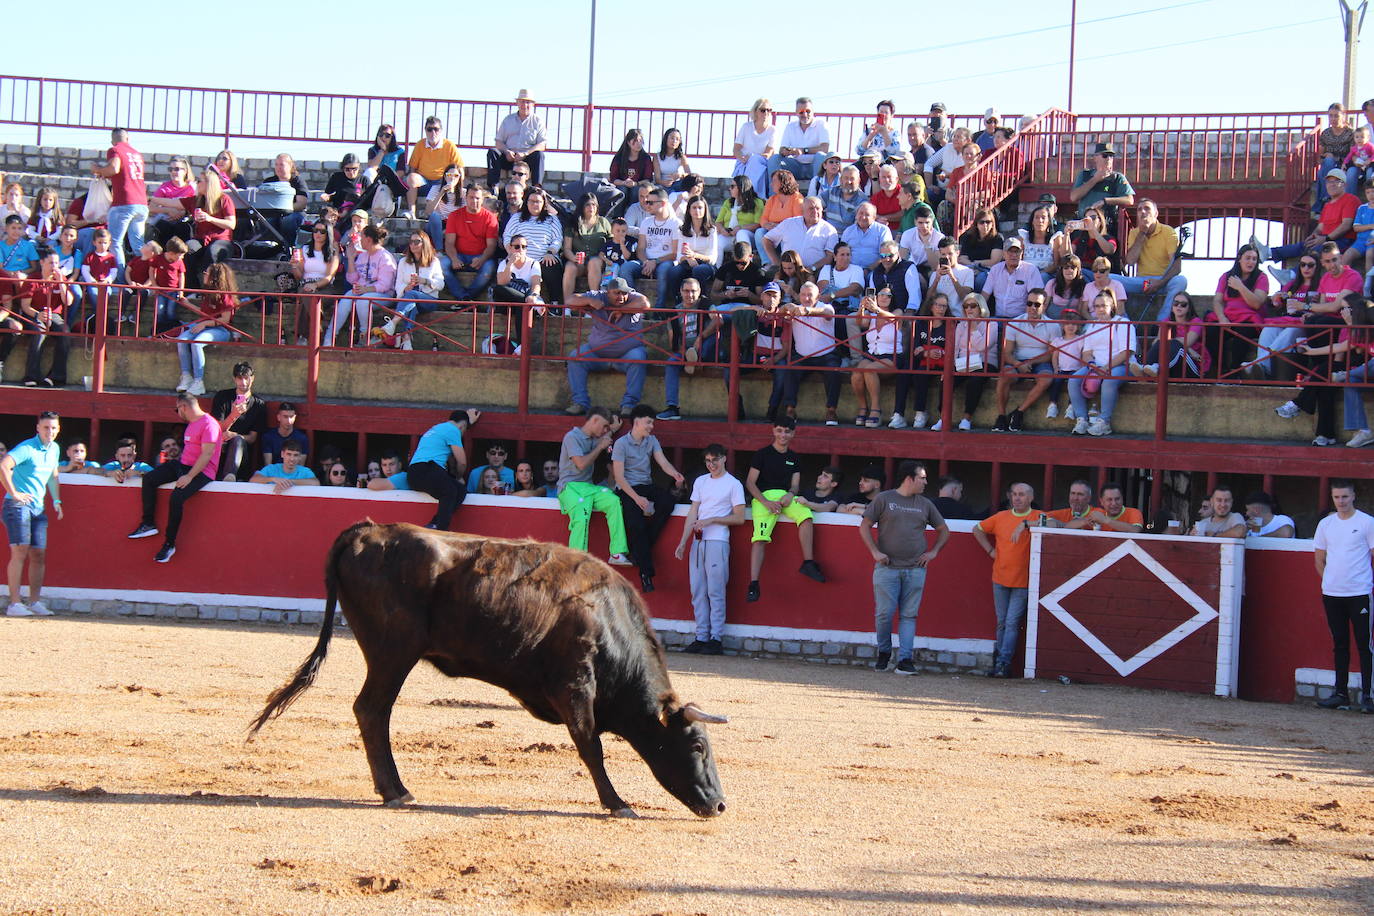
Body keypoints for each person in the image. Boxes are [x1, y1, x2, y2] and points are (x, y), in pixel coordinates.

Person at [858, 460, 949, 674]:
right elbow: (864, 526)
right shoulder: (884, 499)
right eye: (922, 478)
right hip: (887, 567)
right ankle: (884, 651)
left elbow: (944, 531)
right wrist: (874, 552)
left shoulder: (925, 504)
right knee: (884, 614)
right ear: (910, 478)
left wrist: (933, 552)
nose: (926, 482)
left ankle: (905, 659)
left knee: (909, 615)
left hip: (915, 568)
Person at [127, 392, 223, 563]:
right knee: (149, 479)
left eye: (177, 409)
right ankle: (148, 523)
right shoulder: (192, 424)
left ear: (183, 407)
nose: (178, 413)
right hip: (182, 465)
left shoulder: (209, 424)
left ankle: (169, 544)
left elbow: (207, 454)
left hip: (202, 472)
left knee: (176, 498)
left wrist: (189, 476)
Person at [673, 444, 746, 655]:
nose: (711, 464)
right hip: (698, 540)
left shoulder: (733, 484)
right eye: (707, 461)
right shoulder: (701, 481)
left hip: (718, 540)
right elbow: (693, 512)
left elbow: (739, 517)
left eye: (714, 460)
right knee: (698, 590)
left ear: (724, 459)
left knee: (715, 590)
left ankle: (715, 638)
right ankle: (702, 636)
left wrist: (713, 519)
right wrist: (683, 541)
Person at [744, 416, 826, 603]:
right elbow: (750, 482)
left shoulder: (794, 457)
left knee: (806, 515)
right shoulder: (762, 454)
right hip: (763, 498)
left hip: (786, 496)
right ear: (773, 431)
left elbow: (795, 485)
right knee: (760, 538)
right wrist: (765, 502)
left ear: (793, 434)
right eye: (780, 430)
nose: (783, 434)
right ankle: (754, 584)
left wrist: (790, 494)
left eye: (787, 431)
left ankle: (808, 562)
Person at [971, 482, 1047, 677]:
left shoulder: (1037, 516)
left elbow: (1055, 524)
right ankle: (1001, 663)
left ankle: (1003, 663)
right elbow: (977, 529)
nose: (1017, 498)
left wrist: (1025, 524)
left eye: (1021, 494)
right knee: (1003, 622)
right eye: (1014, 494)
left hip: (1022, 580)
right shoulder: (1001, 517)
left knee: (1011, 622)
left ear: (1030, 497)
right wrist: (990, 550)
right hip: (1000, 577)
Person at [1312, 479, 1374, 712]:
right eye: (1337, 497)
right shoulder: (1326, 524)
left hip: (1359, 593)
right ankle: (1341, 693)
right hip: (1333, 593)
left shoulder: (1367, 523)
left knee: (1363, 644)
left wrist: (1363, 582)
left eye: (1345, 497)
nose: (1341, 501)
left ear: (1353, 496)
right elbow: (1319, 559)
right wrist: (1329, 581)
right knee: (1340, 644)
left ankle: (1367, 696)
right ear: (1332, 498)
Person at [565, 278, 666, 417]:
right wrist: (589, 301)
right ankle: (580, 403)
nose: (621, 297)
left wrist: (622, 310)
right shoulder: (598, 296)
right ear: (607, 293)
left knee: (638, 358)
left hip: (627, 354)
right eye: (616, 293)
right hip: (597, 353)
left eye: (624, 293)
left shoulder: (632, 298)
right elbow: (570, 300)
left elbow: (645, 303)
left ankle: (628, 406)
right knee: (574, 356)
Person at [611, 405, 685, 592]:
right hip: (626, 489)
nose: (652, 426)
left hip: (645, 484)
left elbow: (663, 463)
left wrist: (676, 475)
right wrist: (636, 498)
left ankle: (639, 550)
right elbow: (619, 477)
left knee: (667, 502)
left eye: (652, 422)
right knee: (636, 523)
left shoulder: (652, 440)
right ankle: (646, 574)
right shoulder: (621, 444)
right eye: (648, 422)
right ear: (637, 422)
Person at [1, 411, 62, 617]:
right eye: (46, 427)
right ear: (38, 428)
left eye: (53, 428)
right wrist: (14, 493)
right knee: (20, 551)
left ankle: (34, 601)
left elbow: (53, 476)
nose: (50, 432)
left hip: (38, 507)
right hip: (17, 506)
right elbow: (3, 466)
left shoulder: (54, 448)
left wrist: (57, 500)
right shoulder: (27, 447)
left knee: (38, 554)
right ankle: (15, 603)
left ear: (58, 429)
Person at [556, 407, 631, 566]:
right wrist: (600, 447)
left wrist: (613, 430)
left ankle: (617, 553)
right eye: (604, 426)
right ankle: (576, 560)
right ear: (594, 420)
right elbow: (581, 464)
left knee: (613, 500)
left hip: (588, 488)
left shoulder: (598, 437)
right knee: (582, 513)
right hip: (569, 488)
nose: (605, 430)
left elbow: (605, 437)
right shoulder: (572, 436)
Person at [1068, 290, 1134, 437]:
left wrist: (1105, 368)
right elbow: (1086, 353)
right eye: (1096, 306)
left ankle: (1104, 422)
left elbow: (1127, 352)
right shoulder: (1091, 326)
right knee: (1073, 380)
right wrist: (1093, 366)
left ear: (1112, 306)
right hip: (1096, 366)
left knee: (1109, 381)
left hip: (1121, 366)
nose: (1100, 309)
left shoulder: (1123, 323)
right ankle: (1082, 419)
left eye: (1103, 305)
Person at [992, 290, 1055, 431]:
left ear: (1044, 306)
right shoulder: (1015, 323)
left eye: (1037, 304)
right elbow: (1007, 352)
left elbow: (1051, 354)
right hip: (1017, 360)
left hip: (1040, 362)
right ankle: (1001, 416)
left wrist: (1030, 362)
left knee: (1046, 379)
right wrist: (1018, 364)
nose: (1032, 307)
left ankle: (1019, 412)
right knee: (1003, 378)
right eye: (1029, 303)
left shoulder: (1053, 325)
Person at [407, 408, 479, 531]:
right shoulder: (454, 430)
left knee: (460, 490)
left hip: (415, 472)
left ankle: (435, 523)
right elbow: (462, 462)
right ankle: (441, 529)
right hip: (427, 468)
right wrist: (459, 476)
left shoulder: (437, 428)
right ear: (462, 426)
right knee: (450, 491)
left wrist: (468, 422)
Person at [1119, 199, 1189, 319]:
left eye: (1147, 208)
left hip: (1164, 281)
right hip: (1144, 283)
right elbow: (1130, 261)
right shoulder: (1135, 233)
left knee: (1181, 281)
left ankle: (1162, 320)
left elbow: (1177, 266)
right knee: (1111, 279)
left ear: (1156, 214)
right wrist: (1143, 233)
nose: (1143, 212)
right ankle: (1123, 320)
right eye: (1140, 209)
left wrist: (1160, 283)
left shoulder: (1168, 231)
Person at [91, 128, 146, 276]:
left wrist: (97, 169)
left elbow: (114, 168)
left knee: (115, 243)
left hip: (123, 203)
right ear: (128, 139)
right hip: (141, 203)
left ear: (112, 140)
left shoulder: (115, 150)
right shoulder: (137, 154)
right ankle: (141, 278)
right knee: (138, 246)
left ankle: (120, 281)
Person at [328, 224, 394, 347]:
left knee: (363, 301)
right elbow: (352, 279)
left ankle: (365, 337)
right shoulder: (363, 255)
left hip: (383, 295)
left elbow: (385, 285)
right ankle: (329, 338)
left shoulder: (385, 257)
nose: (359, 240)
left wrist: (365, 289)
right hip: (363, 292)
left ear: (368, 239)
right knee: (347, 298)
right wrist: (351, 259)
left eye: (361, 237)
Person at [16, 252, 72, 389]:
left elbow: (68, 301)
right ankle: (31, 376)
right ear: (42, 263)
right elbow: (25, 306)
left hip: (54, 314)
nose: (54, 266)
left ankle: (55, 377)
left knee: (65, 333)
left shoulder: (60, 278)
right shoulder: (33, 278)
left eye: (57, 263)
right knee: (39, 332)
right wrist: (37, 316)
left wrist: (60, 283)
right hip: (34, 313)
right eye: (51, 263)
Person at [503, 186, 564, 303]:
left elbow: (557, 239)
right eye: (532, 201)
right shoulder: (517, 218)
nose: (535, 204)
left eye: (538, 202)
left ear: (543, 203)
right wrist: (511, 253)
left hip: (543, 258)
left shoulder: (552, 219)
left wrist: (550, 252)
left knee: (552, 264)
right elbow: (507, 237)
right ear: (526, 202)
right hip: (521, 258)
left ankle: (554, 303)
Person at [849, 291, 902, 427]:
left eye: (888, 295)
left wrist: (877, 309)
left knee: (869, 369)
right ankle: (862, 407)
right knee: (856, 373)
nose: (885, 297)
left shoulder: (897, 311)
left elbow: (895, 319)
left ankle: (876, 409)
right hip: (872, 354)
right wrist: (862, 308)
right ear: (876, 297)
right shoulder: (871, 315)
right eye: (881, 295)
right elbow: (860, 322)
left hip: (891, 356)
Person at [209, 362, 265, 481]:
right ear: (234, 379)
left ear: (252, 378)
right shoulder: (223, 397)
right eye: (240, 378)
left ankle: (229, 476)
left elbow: (252, 438)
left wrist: (235, 435)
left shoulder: (258, 404)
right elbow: (217, 431)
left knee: (237, 440)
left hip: (242, 455)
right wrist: (234, 415)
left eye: (246, 378)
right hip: (219, 448)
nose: (243, 382)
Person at [443, 184, 500, 301]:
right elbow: (449, 243)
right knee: (441, 265)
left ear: (482, 199)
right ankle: (463, 296)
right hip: (459, 255)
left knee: (489, 269)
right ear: (466, 198)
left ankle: (466, 298)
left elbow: (491, 245)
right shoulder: (454, 216)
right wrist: (454, 259)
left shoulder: (490, 218)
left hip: (481, 255)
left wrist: (482, 259)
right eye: (471, 197)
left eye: (478, 198)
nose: (474, 201)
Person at [403, 116, 464, 220]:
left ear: (441, 131)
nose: (433, 132)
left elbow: (460, 169)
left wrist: (458, 186)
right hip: (424, 183)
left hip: (442, 183)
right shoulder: (420, 145)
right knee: (412, 177)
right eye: (429, 129)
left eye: (436, 129)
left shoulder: (449, 146)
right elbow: (412, 168)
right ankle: (411, 212)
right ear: (425, 131)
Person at [487, 89, 547, 190]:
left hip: (526, 159)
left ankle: (537, 188)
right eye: (522, 101)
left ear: (533, 104)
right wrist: (507, 152)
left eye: (528, 102)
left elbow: (542, 144)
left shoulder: (538, 122)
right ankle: (493, 187)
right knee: (493, 152)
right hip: (509, 157)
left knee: (539, 155)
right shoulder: (508, 120)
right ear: (517, 103)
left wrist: (526, 153)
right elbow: (498, 141)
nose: (525, 105)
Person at [1069, 142, 1134, 224]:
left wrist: (1105, 201)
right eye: (1105, 155)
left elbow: (1129, 200)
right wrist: (1095, 179)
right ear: (1095, 158)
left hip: (1105, 227)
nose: (1108, 159)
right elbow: (1073, 197)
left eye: (1111, 156)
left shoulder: (1117, 178)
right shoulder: (1085, 175)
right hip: (1084, 224)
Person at [732, 99, 776, 206]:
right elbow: (736, 149)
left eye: (769, 110)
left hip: (761, 161)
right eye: (763, 110)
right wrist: (742, 158)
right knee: (752, 162)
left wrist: (752, 157)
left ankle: (751, 195)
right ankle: (751, 195)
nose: (766, 113)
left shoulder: (772, 130)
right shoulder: (746, 127)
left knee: (755, 161)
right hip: (744, 162)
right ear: (756, 111)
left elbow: (769, 152)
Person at [249, 441, 319, 493]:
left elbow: (316, 483)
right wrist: (273, 479)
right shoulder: (271, 468)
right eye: (289, 454)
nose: (292, 459)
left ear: (300, 457)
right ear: (282, 454)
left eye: (295, 455)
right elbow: (253, 480)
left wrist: (288, 482)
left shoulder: (305, 471)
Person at [821, 165, 869, 232]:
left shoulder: (862, 201)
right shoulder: (831, 192)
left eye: (852, 178)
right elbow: (815, 204)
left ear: (858, 181)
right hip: (826, 235)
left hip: (847, 238)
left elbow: (856, 229)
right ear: (841, 180)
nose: (849, 182)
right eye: (846, 178)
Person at [260, 402, 307, 467]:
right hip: (274, 474)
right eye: (285, 417)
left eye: (291, 417)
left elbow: (300, 467)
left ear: (295, 417)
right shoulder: (268, 437)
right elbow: (268, 465)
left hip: (294, 474)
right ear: (279, 417)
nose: (289, 421)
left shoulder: (302, 438)